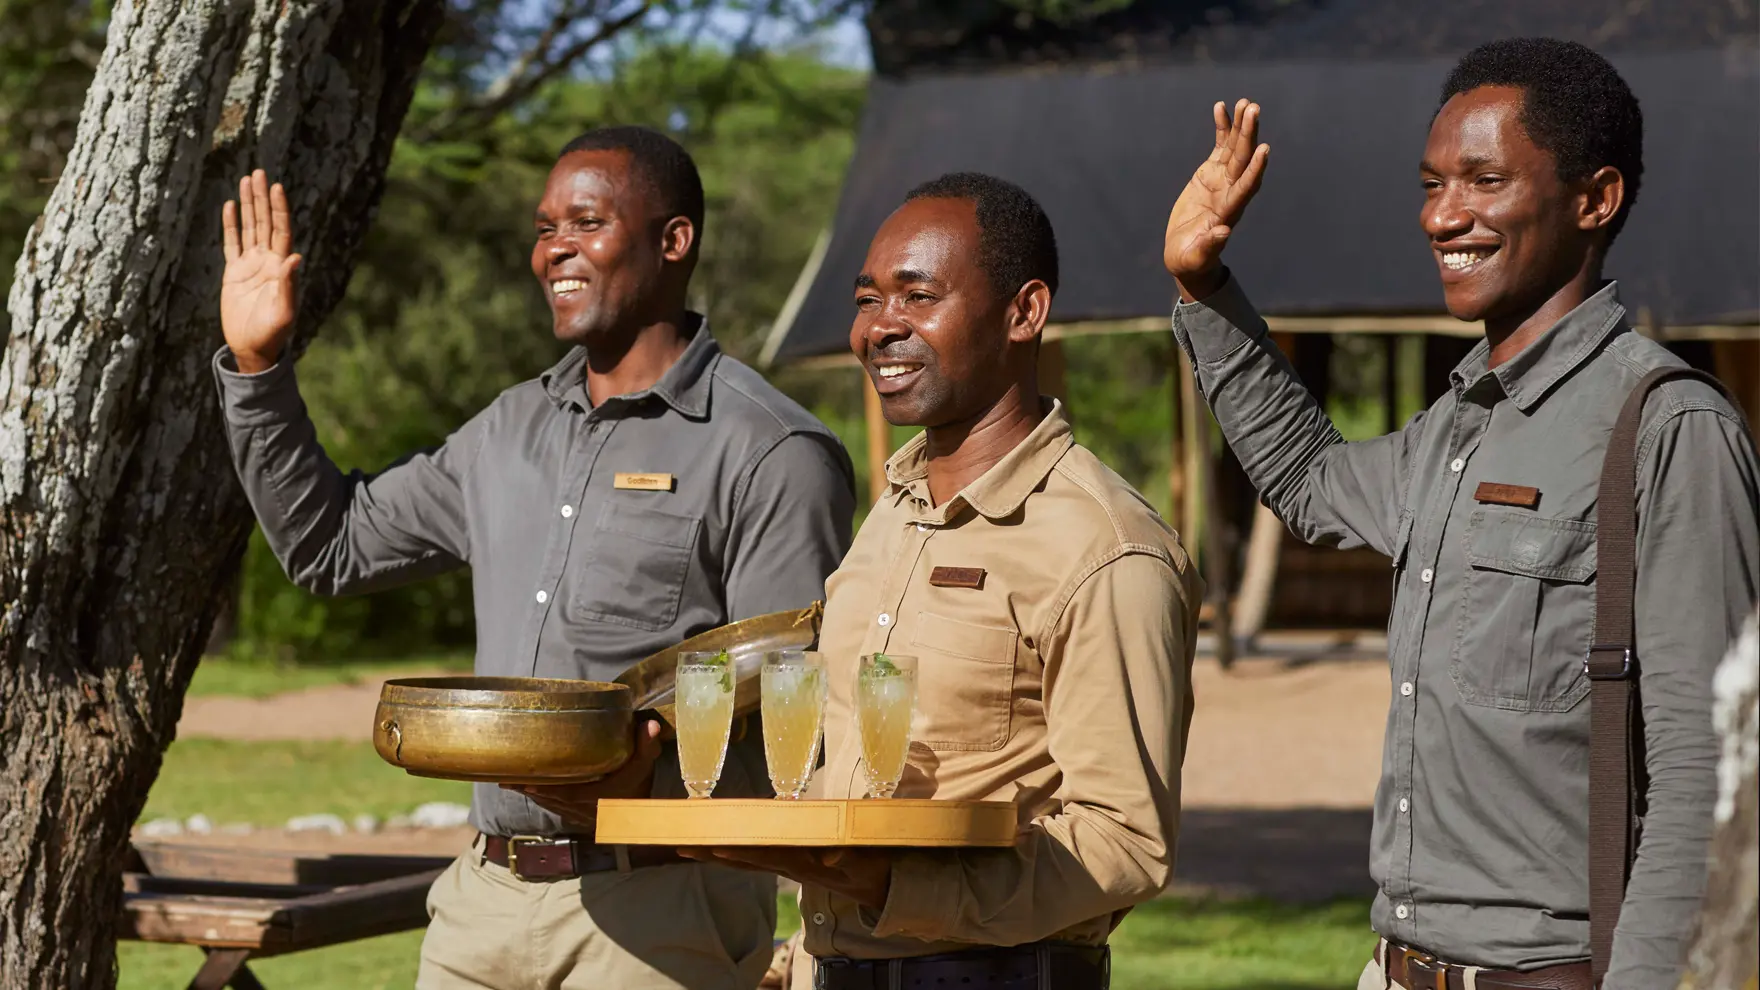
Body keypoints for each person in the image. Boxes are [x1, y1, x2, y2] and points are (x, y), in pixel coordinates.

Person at [1161, 39, 1759, 990]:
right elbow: (1313, 483)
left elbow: (1711, 772)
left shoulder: (1666, 428)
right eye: (1433, 183)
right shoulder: (1457, 423)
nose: (1444, 215)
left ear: (1594, 199)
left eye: (1484, 181)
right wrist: (1203, 289)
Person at [214, 126, 855, 989]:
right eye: (544, 227)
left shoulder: (770, 449)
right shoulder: (507, 431)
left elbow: (794, 725)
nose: (553, 248)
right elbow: (331, 546)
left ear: (674, 241)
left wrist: (644, 780)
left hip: (658, 916)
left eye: (584, 222)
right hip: (481, 904)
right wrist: (258, 368)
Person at [687, 172, 1202, 990]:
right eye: (867, 300)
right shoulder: (893, 513)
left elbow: (1124, 842)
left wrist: (897, 891)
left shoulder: (1106, 550)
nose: (880, 329)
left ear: (1024, 312)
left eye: (917, 295)